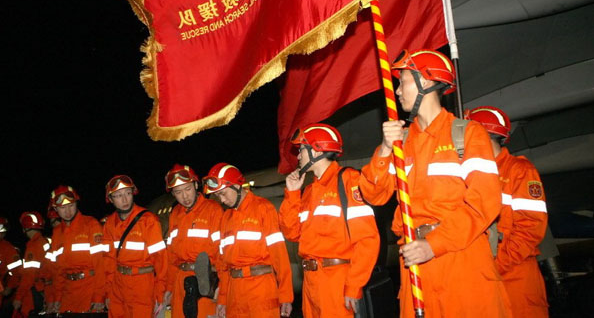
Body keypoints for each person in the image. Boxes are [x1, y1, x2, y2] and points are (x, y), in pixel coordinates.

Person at [360, 49, 511, 317]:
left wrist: (433, 244)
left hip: (461, 261)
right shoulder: (401, 142)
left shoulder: (468, 134)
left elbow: (485, 202)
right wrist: (384, 149)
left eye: (402, 81)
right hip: (415, 266)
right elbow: (373, 195)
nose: (396, 92)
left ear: (426, 82)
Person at [279, 123, 380, 317]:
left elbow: (368, 240)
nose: (298, 156)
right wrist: (292, 194)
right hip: (311, 284)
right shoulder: (308, 192)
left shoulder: (349, 180)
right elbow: (291, 233)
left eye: (301, 150)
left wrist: (353, 286)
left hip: (337, 282)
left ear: (317, 151)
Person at [466, 106, 549, 317]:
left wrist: (495, 265)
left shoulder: (519, 171)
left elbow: (530, 230)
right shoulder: (469, 174)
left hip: (515, 279)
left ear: (482, 136)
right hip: (483, 277)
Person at [204, 163, 293, 318]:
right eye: (218, 196)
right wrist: (223, 299)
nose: (222, 200)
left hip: (261, 292)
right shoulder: (226, 218)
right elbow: (223, 265)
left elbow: (280, 255)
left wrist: (286, 296)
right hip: (234, 294)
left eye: (223, 194)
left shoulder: (263, 208)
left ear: (237, 186)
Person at [102, 175, 168, 318]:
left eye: (128, 193)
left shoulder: (148, 221)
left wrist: (160, 292)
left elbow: (160, 260)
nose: (125, 200)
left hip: (143, 284)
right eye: (119, 196)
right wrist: (108, 292)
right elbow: (108, 261)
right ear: (111, 199)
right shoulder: (109, 224)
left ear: (133, 194)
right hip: (118, 286)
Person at [163, 164, 223, 318]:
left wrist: (222, 287)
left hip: (205, 281)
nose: (185, 196)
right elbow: (171, 257)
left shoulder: (213, 210)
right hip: (180, 283)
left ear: (196, 185)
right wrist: (168, 288)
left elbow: (222, 253)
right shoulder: (175, 214)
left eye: (188, 189)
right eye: (178, 192)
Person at [46, 185, 105, 313]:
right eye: (62, 208)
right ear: (55, 209)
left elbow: (101, 265)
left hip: (89, 290)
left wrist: (99, 297)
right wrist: (56, 298)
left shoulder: (91, 225)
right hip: (67, 294)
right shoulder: (57, 233)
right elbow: (57, 271)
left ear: (76, 203)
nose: (68, 211)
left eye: (71, 206)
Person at [12, 211, 50, 316]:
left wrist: (18, 298)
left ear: (25, 227)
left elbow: (29, 275)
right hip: (45, 291)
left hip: (36, 293)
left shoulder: (34, 246)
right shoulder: (44, 241)